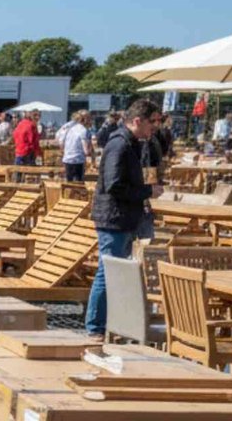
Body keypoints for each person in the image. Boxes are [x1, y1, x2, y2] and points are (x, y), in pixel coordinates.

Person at [85, 99, 162, 338]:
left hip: (123, 217)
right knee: (108, 272)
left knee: (114, 271)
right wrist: (147, 192)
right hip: (115, 218)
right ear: (137, 120)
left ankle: (107, 324)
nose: (156, 126)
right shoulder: (120, 144)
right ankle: (95, 328)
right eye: (153, 121)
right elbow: (114, 185)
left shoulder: (132, 143)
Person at [58, 110, 92, 182]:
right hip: (78, 160)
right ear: (85, 119)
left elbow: (60, 140)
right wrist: (90, 152)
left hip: (67, 159)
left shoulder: (69, 127)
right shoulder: (83, 130)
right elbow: (86, 151)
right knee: (78, 185)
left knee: (68, 183)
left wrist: (65, 151)